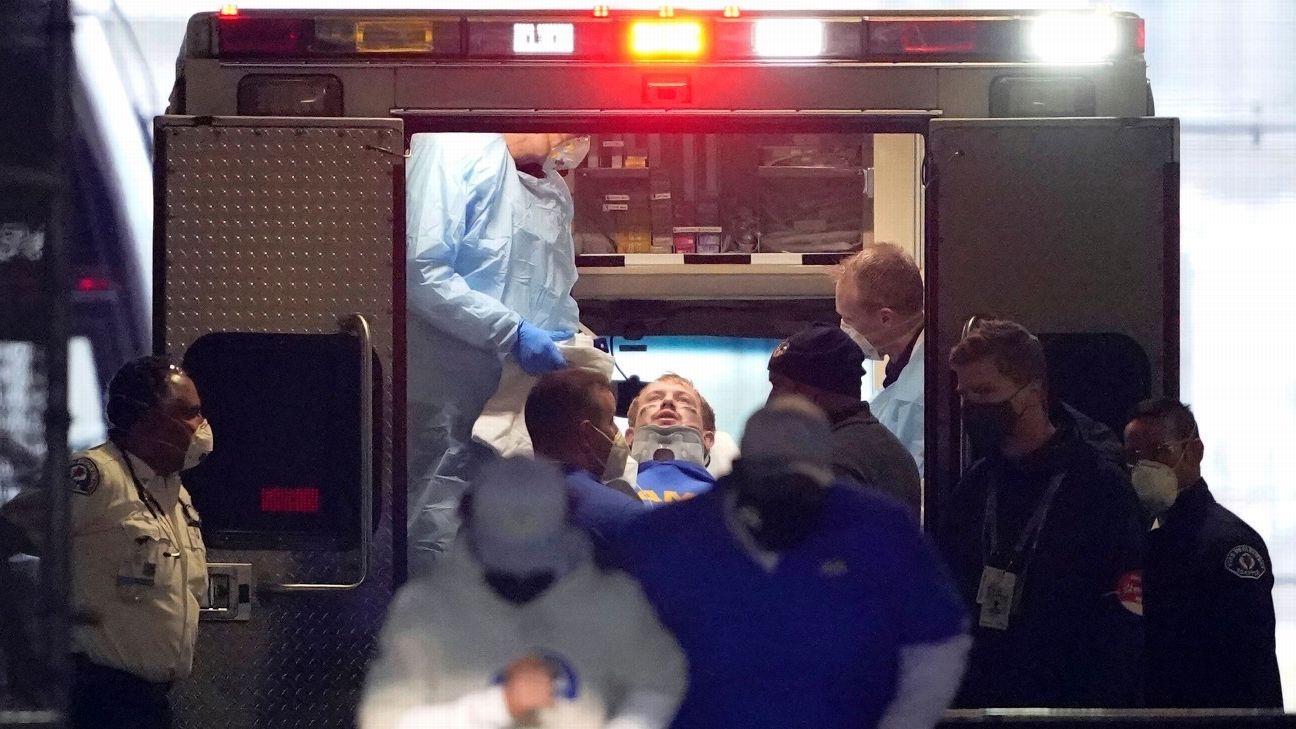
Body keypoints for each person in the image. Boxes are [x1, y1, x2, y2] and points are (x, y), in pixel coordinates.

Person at [610, 398, 969, 729]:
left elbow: (937, 644)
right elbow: (603, 650)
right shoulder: (664, 537)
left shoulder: (878, 529)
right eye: (769, 478)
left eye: (799, 483)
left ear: (826, 470)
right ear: (739, 468)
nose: (784, 495)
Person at [359, 457, 686, 729]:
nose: (520, 581)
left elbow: (660, 681)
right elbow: (385, 720)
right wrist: (498, 706)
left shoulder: (613, 602)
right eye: (505, 564)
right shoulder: (426, 610)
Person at [937, 320, 1145, 708]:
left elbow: (1123, 625)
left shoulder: (1100, 489)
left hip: (1068, 705)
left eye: (985, 392)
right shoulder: (975, 486)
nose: (973, 407)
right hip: (979, 703)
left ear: (1032, 392)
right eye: (964, 395)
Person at [406, 132, 589, 574]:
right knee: (440, 517)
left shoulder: (552, 189)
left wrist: (571, 339)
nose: (574, 141)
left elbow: (554, 284)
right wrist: (512, 331)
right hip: (447, 383)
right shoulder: (451, 148)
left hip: (520, 395)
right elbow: (421, 271)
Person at [1, 356, 211, 729]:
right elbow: (8, 533)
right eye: (187, 413)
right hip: (97, 697)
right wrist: (21, 652)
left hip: (150, 702)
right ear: (147, 419)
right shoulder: (95, 477)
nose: (201, 425)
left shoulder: (175, 496)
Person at [1125, 398, 1282, 708]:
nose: (1146, 468)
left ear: (1194, 452)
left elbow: (1252, 673)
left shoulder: (1229, 546)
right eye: (1134, 458)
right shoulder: (1138, 535)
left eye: (1159, 453)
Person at [767, 323, 921, 515]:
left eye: (778, 386)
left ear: (810, 394)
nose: (770, 401)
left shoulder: (829, 467)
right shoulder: (888, 447)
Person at [525, 368, 645, 544]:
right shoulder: (622, 515)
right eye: (611, 421)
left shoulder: (484, 504)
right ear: (587, 435)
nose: (617, 432)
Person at [835, 243, 926, 471]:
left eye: (850, 320)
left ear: (886, 318)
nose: (844, 329)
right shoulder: (902, 371)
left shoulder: (920, 396)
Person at [624, 375, 717, 504]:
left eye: (684, 400)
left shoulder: (727, 501)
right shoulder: (607, 491)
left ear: (707, 439)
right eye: (654, 398)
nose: (668, 401)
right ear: (630, 436)